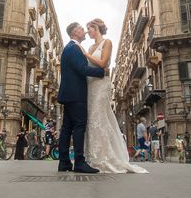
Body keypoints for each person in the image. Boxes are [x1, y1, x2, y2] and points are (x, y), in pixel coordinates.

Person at [80, 19, 148, 174]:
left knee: (99, 118)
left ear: (95, 28)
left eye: (89, 28)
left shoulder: (107, 42)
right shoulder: (91, 46)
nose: (87, 32)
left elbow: (103, 63)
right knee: (92, 120)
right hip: (90, 85)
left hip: (101, 84)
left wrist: (85, 54)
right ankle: (93, 157)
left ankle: (103, 158)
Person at [56, 22, 106, 174]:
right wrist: (102, 72)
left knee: (67, 128)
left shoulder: (71, 48)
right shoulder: (73, 48)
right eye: (82, 29)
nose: (84, 32)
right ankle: (79, 162)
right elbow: (82, 69)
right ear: (75, 32)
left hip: (69, 94)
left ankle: (64, 163)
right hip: (76, 94)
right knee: (79, 126)